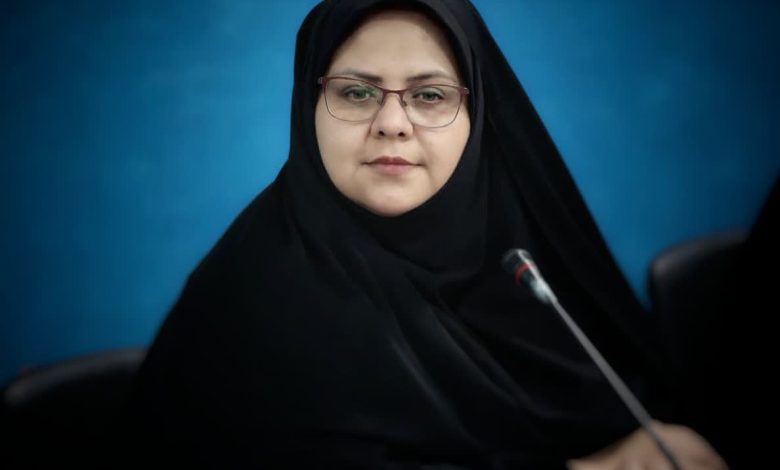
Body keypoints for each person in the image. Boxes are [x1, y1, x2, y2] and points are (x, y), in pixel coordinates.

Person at [117, 1, 730, 468]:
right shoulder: (249, 296)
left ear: (478, 114)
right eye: (356, 92)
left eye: (430, 95)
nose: (392, 123)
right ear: (309, 105)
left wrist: (643, 444)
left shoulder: (518, 261)